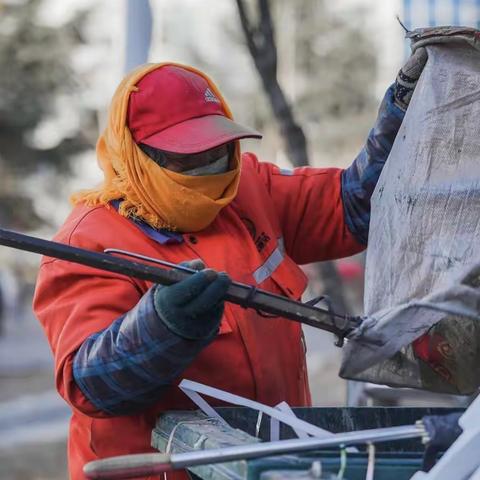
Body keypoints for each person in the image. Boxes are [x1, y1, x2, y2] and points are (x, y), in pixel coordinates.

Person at [33, 52, 427, 480]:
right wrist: (160, 327)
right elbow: (90, 386)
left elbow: (356, 206)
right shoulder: (87, 245)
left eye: (219, 152)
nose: (209, 171)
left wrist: (405, 109)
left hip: (275, 464)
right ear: (136, 154)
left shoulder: (248, 188)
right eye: (188, 159)